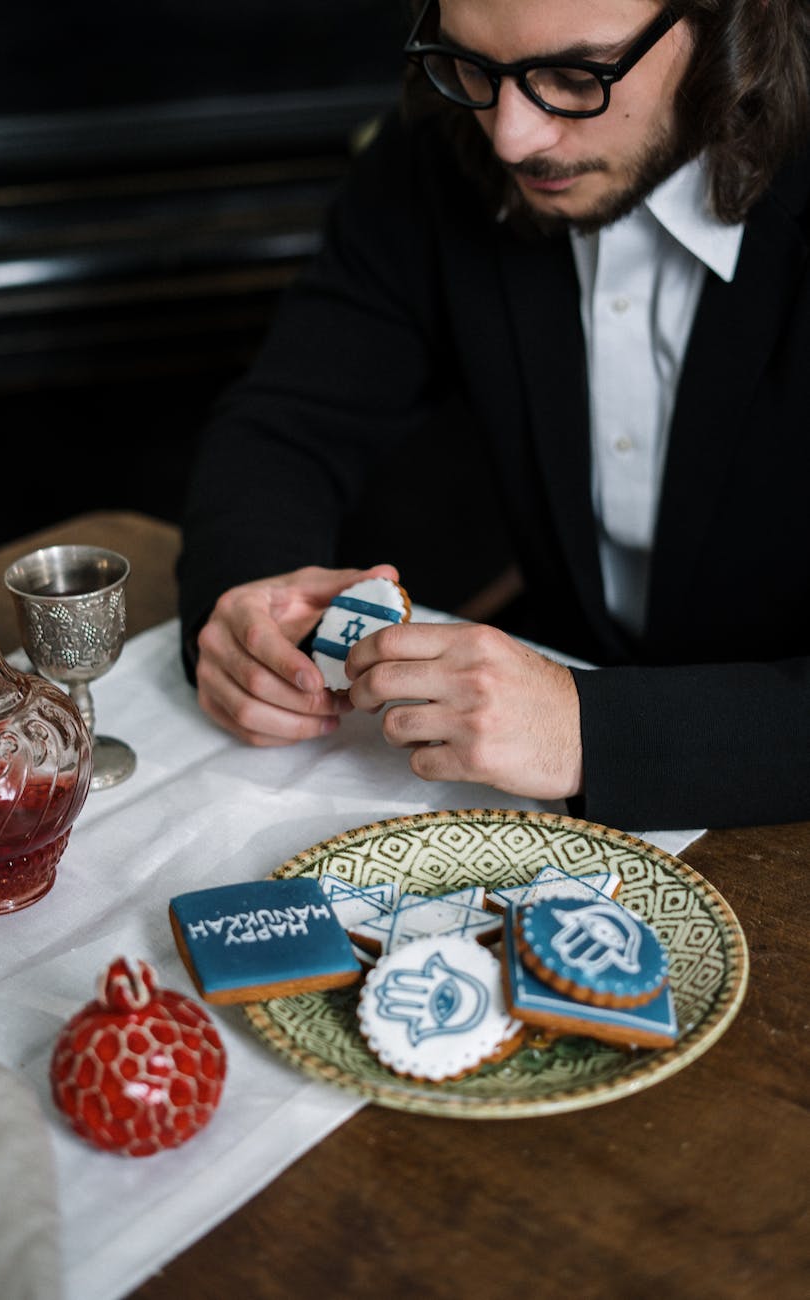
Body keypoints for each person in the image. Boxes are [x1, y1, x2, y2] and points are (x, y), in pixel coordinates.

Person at [176, 0, 810, 831]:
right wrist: (247, 601)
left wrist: (593, 728)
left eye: (575, 76)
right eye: (472, 64)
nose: (511, 137)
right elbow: (288, 419)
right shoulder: (444, 141)